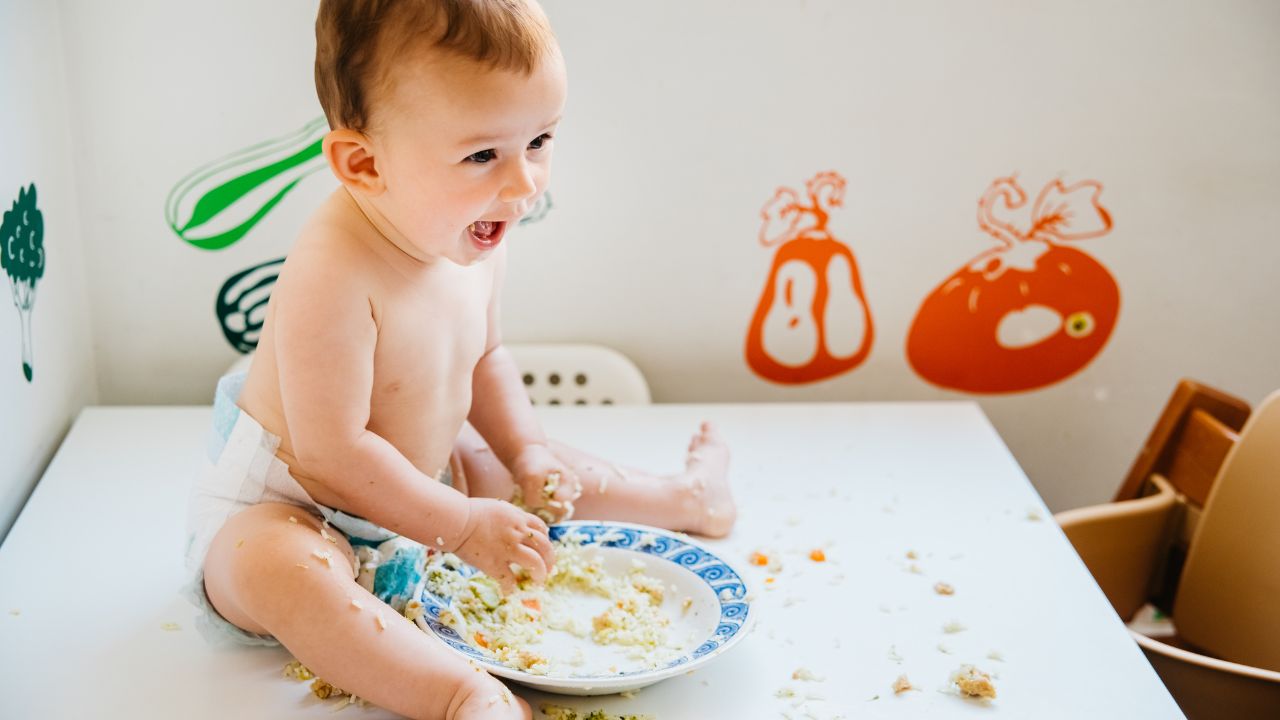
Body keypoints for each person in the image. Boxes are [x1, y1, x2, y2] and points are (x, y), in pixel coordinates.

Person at [181, 1, 736, 717]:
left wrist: (527, 453)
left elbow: (485, 358)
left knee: (528, 474)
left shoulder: (468, 231)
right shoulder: (332, 272)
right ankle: (456, 694)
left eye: (539, 140)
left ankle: (686, 498)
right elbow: (330, 456)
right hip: (297, 507)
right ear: (364, 162)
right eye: (484, 155)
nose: (525, 184)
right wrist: (465, 525)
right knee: (282, 570)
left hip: (424, 486)